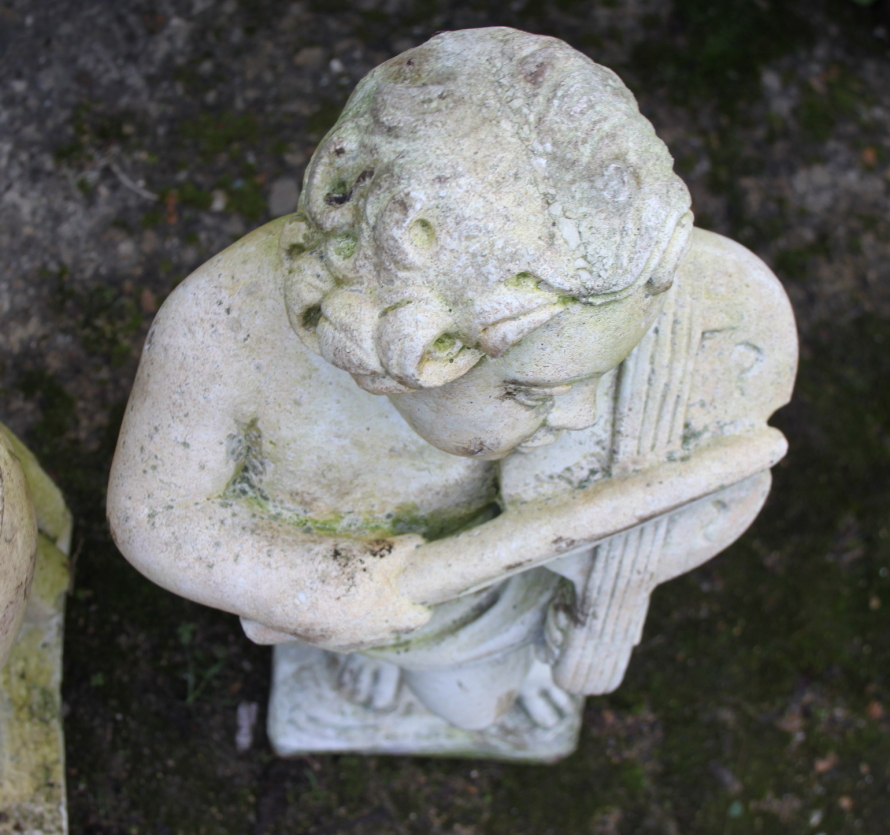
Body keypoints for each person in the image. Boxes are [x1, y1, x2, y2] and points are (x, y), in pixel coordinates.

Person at [108, 29, 795, 752]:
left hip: (492, 562)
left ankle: (439, 653)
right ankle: (362, 657)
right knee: (412, 670)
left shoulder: (583, 307)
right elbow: (155, 509)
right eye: (534, 390)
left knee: (477, 705)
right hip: (345, 556)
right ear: (417, 348)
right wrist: (305, 582)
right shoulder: (219, 328)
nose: (581, 412)